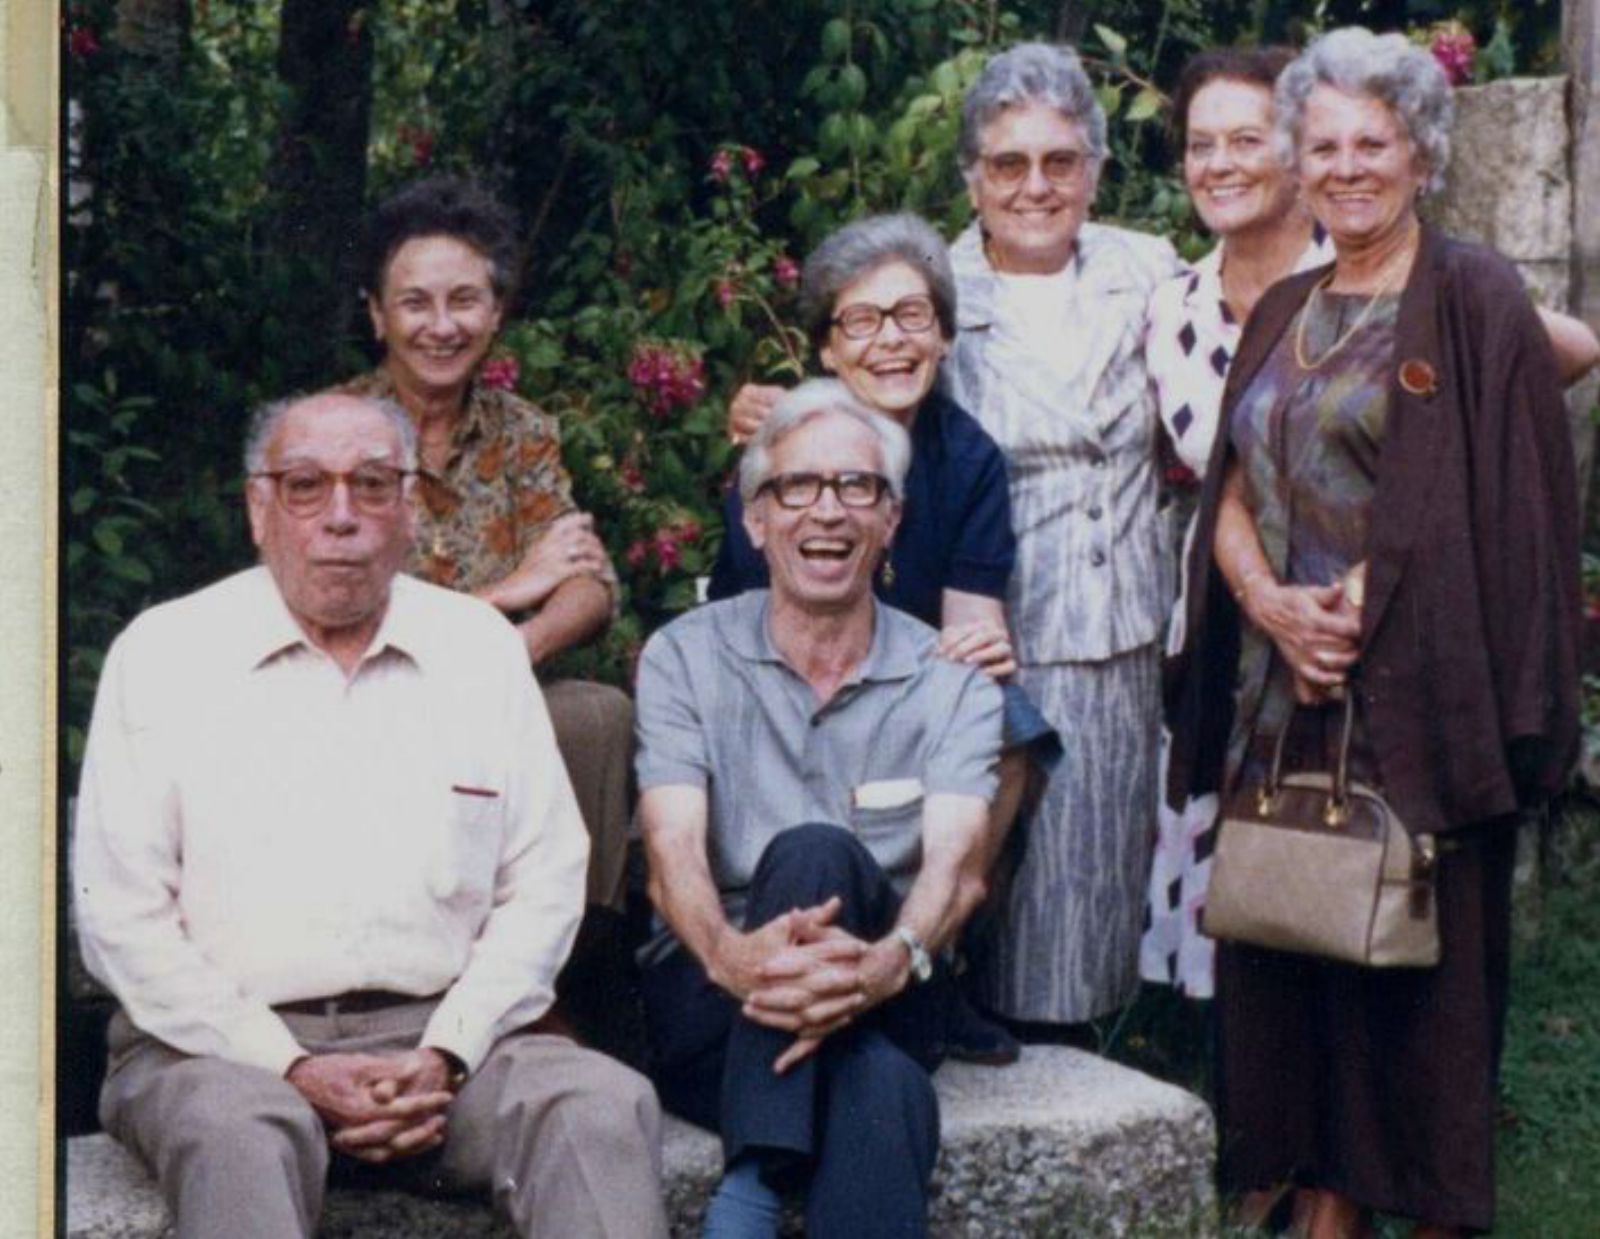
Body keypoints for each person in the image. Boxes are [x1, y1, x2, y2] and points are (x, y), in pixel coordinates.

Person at [72, 391, 669, 1239]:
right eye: (307, 485)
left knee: (600, 1105)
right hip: (217, 1049)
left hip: (450, 1041)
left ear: (412, 507)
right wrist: (292, 1065)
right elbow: (121, 918)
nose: (342, 516)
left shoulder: (479, 650)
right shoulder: (165, 656)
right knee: (237, 1132)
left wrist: (447, 1050)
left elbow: (543, 883)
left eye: (374, 485)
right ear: (258, 507)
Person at [1165, 28, 1580, 1236]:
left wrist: (1346, 609)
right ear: (1298, 161)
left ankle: (1436, 1208)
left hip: (1417, 693)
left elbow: (1507, 502)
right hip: (1279, 694)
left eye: (1372, 142)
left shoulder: (1471, 297)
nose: (1347, 167)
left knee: (1424, 985)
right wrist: (1265, 605)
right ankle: (1322, 1202)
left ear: (1421, 154)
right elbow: (1232, 482)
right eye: (1324, 144)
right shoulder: (1287, 303)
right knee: (1294, 961)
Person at [636, 387, 1003, 1237]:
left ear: (892, 521)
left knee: (817, 853)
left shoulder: (951, 677)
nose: (827, 511)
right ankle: (759, 1180)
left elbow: (956, 871)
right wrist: (731, 958)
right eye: (796, 488)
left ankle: (752, 1190)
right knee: (883, 1087)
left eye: (856, 487)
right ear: (755, 520)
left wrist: (885, 964)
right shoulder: (682, 657)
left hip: (888, 976)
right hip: (712, 983)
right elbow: (672, 854)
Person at [716, 214, 1060, 1062]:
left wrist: (978, 653)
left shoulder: (968, 456)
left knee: (1006, 723)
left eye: (912, 316)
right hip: (776, 678)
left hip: (904, 680)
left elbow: (972, 620)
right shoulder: (784, 446)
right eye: (861, 321)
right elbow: (755, 620)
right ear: (827, 350)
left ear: (944, 335)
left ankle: (927, 964)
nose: (890, 341)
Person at [942, 41, 1183, 1028]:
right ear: (971, 178)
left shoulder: (1150, 270)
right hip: (994, 614)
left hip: (1126, 607)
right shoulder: (934, 292)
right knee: (985, 856)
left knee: (1094, 861)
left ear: (1093, 167)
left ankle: (1082, 1052)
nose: (1035, 187)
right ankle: (974, 1035)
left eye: (1059, 161)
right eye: (1008, 164)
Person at [340, 176, 631, 917]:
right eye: (415, 303)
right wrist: (505, 595)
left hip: (497, 689)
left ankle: (557, 969)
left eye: (464, 300)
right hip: (366, 689)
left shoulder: (522, 432)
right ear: (378, 315)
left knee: (596, 716)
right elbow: (344, 612)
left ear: (496, 312)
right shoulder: (337, 437)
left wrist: (517, 650)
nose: (443, 325)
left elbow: (588, 585)